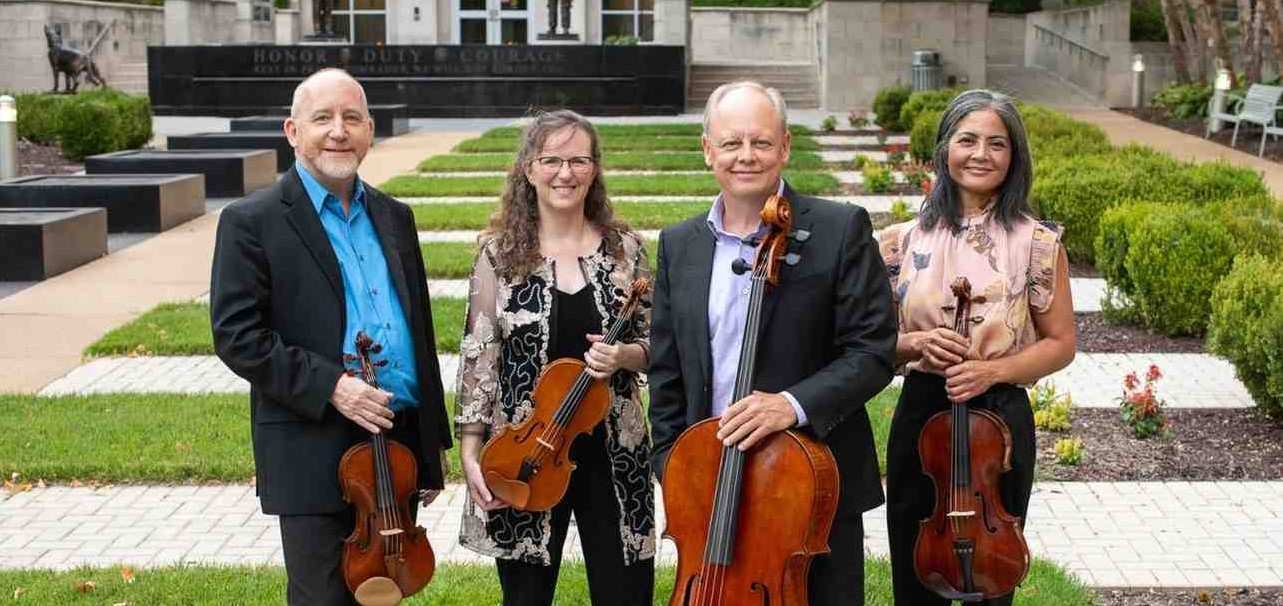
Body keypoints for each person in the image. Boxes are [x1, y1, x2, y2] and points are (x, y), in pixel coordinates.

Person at [647, 80, 898, 606]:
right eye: (732, 143)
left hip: (808, 489)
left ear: (785, 147)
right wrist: (673, 462)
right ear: (707, 149)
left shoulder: (839, 228)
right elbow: (667, 373)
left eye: (761, 143)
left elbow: (872, 352)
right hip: (710, 482)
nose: (746, 156)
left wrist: (791, 405)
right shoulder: (679, 244)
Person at [210, 68, 451, 606]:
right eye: (322, 118)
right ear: (293, 131)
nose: (338, 131)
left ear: (370, 131)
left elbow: (418, 331)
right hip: (310, 442)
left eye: (351, 118)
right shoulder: (252, 220)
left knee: (386, 593)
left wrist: (430, 448)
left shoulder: (395, 216)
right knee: (322, 596)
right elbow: (237, 336)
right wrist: (334, 386)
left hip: (396, 443)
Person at [879, 89, 1076, 605]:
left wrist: (993, 371)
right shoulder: (900, 242)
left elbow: (1061, 344)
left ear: (1015, 157)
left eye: (997, 143)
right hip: (922, 412)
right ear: (945, 149)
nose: (981, 154)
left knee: (990, 575)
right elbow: (874, 343)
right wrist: (917, 343)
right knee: (915, 563)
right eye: (967, 140)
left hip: (999, 417)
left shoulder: (1038, 244)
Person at [453, 109, 656, 606]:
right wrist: (470, 451)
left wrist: (626, 355)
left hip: (616, 451)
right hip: (526, 451)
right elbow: (479, 354)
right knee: (525, 597)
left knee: (626, 593)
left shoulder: (626, 250)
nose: (565, 173)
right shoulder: (498, 254)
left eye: (578, 160)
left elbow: (661, 346)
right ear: (529, 169)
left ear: (594, 169)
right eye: (552, 160)